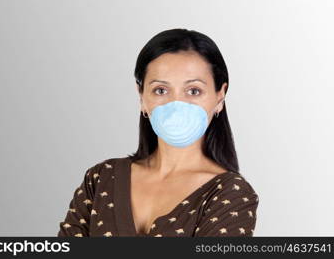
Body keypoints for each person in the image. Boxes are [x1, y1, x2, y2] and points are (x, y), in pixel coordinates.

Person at [57, 28, 259, 237]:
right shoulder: (101, 179)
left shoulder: (230, 194)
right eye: (161, 90)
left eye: (194, 91)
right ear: (142, 96)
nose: (176, 104)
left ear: (220, 96)